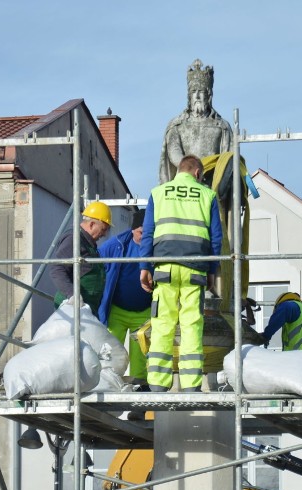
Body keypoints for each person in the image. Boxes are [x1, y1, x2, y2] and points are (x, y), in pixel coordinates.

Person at [140, 155, 223, 392]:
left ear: (180, 171)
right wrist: (212, 271)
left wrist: (144, 267)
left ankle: (157, 384)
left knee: (162, 323)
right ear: (197, 173)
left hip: (164, 267)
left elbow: (148, 233)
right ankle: (190, 386)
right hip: (195, 268)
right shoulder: (207, 195)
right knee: (191, 326)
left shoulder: (159, 193)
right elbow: (216, 238)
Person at [98, 209, 152, 390]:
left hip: (143, 312)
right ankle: (107, 387)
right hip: (117, 311)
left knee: (140, 358)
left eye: (148, 233)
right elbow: (95, 265)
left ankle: (139, 398)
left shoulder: (156, 246)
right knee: (110, 353)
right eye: (140, 233)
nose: (144, 237)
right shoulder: (116, 245)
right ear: (132, 230)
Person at [158, 59, 232, 184]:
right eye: (193, 92)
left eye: (201, 92)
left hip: (212, 184)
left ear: (208, 95)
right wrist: (192, 170)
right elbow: (174, 151)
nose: (197, 96)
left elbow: (228, 158)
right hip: (185, 183)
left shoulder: (221, 126)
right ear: (189, 96)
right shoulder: (177, 125)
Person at [49, 201, 112, 317]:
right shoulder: (73, 239)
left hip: (86, 309)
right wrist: (72, 294)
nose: (104, 234)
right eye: (103, 229)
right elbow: (57, 268)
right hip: (73, 309)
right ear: (92, 224)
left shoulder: (88, 243)